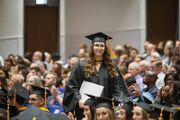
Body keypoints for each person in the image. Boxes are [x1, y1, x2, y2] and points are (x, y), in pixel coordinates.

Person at [63, 32, 130, 119]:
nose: (99, 48)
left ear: (105, 47)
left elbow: (118, 88)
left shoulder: (111, 66)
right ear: (92, 47)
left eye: (102, 46)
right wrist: (78, 99)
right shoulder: (81, 65)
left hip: (105, 109)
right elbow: (72, 86)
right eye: (96, 45)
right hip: (85, 108)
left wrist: (116, 104)